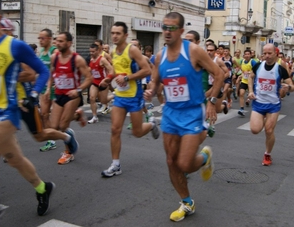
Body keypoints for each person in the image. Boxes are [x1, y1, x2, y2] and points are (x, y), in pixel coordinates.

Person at [0, 0, 54, 225]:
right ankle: (43, 187)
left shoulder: (14, 46)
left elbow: (43, 71)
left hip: (5, 115)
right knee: (15, 160)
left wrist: (35, 93)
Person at [144, 12, 223, 222]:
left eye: (171, 28)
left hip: (191, 114)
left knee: (185, 164)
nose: (167, 32)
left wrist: (212, 102)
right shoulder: (160, 56)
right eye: (164, 27)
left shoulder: (194, 51)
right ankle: (187, 202)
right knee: (171, 161)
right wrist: (151, 90)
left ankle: (205, 157)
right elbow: (155, 80)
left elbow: (219, 74)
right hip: (170, 113)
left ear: (180, 31)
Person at [101, 22, 160, 178]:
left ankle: (152, 124)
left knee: (137, 132)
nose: (114, 35)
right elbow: (116, 71)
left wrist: (127, 77)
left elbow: (147, 70)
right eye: (113, 32)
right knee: (115, 130)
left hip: (134, 96)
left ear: (125, 35)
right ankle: (115, 164)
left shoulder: (132, 50)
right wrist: (109, 78)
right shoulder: (113, 52)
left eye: (118, 33)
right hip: (120, 97)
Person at [45, 31, 92, 164]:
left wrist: (78, 90)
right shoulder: (54, 57)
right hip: (59, 94)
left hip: (72, 96)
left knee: (62, 126)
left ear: (69, 43)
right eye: (56, 41)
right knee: (54, 127)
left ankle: (68, 152)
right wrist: (49, 88)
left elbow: (89, 78)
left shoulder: (77, 59)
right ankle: (77, 115)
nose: (57, 43)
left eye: (60, 41)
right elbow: (51, 73)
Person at [248, 44, 294, 166]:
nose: (267, 56)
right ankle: (263, 120)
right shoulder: (258, 66)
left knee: (268, 131)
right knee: (255, 130)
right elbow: (250, 77)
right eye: (265, 53)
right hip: (258, 102)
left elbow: (293, 86)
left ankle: (267, 154)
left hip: (273, 104)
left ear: (275, 54)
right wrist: (251, 91)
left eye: (269, 53)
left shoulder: (280, 69)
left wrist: (288, 87)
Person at [38, 28, 59, 151]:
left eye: (43, 38)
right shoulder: (41, 52)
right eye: (39, 38)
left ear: (49, 39)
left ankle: (76, 115)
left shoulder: (54, 52)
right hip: (44, 88)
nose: (40, 40)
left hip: (54, 89)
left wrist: (54, 84)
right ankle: (51, 140)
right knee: (44, 114)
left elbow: (57, 70)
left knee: (59, 119)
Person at [87, 43, 114, 123]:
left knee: (103, 101)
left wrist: (107, 79)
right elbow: (92, 69)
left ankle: (114, 95)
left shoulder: (102, 59)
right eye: (90, 52)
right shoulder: (91, 59)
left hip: (103, 83)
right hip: (95, 82)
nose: (91, 53)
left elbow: (111, 70)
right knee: (92, 98)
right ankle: (94, 117)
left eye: (93, 52)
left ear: (98, 51)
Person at [236, 49, 257, 116]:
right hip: (244, 81)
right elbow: (242, 71)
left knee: (253, 96)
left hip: (252, 81)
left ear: (250, 55)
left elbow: (257, 71)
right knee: (241, 94)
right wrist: (240, 76)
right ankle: (241, 109)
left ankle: (257, 111)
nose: (247, 55)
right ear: (244, 55)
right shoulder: (242, 61)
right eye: (246, 54)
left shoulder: (253, 62)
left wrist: (249, 72)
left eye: (248, 54)